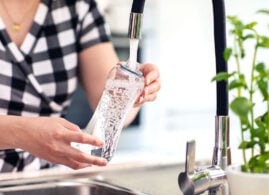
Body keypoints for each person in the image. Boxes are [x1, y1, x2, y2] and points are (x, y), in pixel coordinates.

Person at [0, 0, 161, 172]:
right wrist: (22, 133)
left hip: (42, 178)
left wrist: (133, 93)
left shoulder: (78, 7)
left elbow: (110, 107)